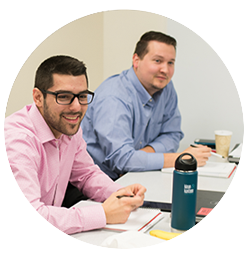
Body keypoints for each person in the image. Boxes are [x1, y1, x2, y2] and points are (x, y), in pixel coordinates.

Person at [4, 55, 146, 235]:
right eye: (64, 97)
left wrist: (121, 194)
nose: (76, 107)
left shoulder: (67, 127)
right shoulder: (17, 141)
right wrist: (102, 214)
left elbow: (86, 174)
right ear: (38, 97)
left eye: (82, 96)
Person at [81, 31, 211, 180]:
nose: (165, 70)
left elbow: (172, 134)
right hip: (101, 182)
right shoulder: (114, 97)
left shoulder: (165, 87)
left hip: (135, 175)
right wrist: (179, 159)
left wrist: (142, 156)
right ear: (136, 60)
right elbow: (122, 161)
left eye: (170, 63)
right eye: (157, 61)